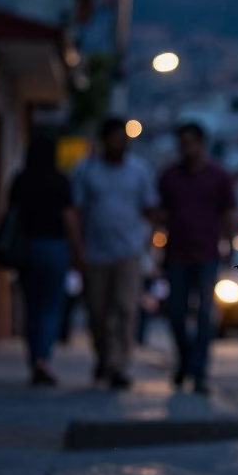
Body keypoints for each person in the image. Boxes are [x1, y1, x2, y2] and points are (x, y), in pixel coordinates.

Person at [73, 117, 159, 389]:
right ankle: (103, 357)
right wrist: (78, 249)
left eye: (122, 138)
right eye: (113, 138)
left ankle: (119, 365)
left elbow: (150, 209)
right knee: (97, 312)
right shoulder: (86, 171)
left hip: (128, 252)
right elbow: (76, 212)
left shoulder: (139, 171)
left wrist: (152, 245)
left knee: (124, 309)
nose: (118, 143)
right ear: (103, 141)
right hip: (95, 253)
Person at [159, 122, 238, 393]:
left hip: (207, 255)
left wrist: (230, 247)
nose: (186, 149)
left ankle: (200, 371)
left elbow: (228, 214)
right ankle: (185, 362)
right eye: (182, 143)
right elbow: (160, 215)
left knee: (205, 315)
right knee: (176, 313)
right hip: (176, 256)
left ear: (202, 144)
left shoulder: (218, 177)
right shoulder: (169, 177)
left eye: (191, 142)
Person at [8, 134, 83, 386]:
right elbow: (70, 219)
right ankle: (43, 358)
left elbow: (11, 215)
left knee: (32, 307)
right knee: (51, 307)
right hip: (54, 248)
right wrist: (77, 250)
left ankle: (34, 359)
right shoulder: (60, 182)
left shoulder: (20, 181)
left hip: (26, 248)